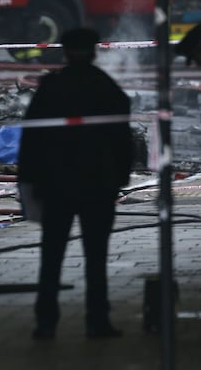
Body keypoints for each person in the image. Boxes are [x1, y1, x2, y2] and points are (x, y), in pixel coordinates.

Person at [17, 27, 133, 340]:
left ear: (65, 52)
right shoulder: (106, 88)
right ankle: (97, 322)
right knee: (96, 257)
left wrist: (28, 182)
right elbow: (123, 138)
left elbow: (31, 138)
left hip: (56, 187)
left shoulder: (50, 87)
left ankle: (45, 323)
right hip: (98, 185)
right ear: (95, 51)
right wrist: (119, 179)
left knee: (51, 256)